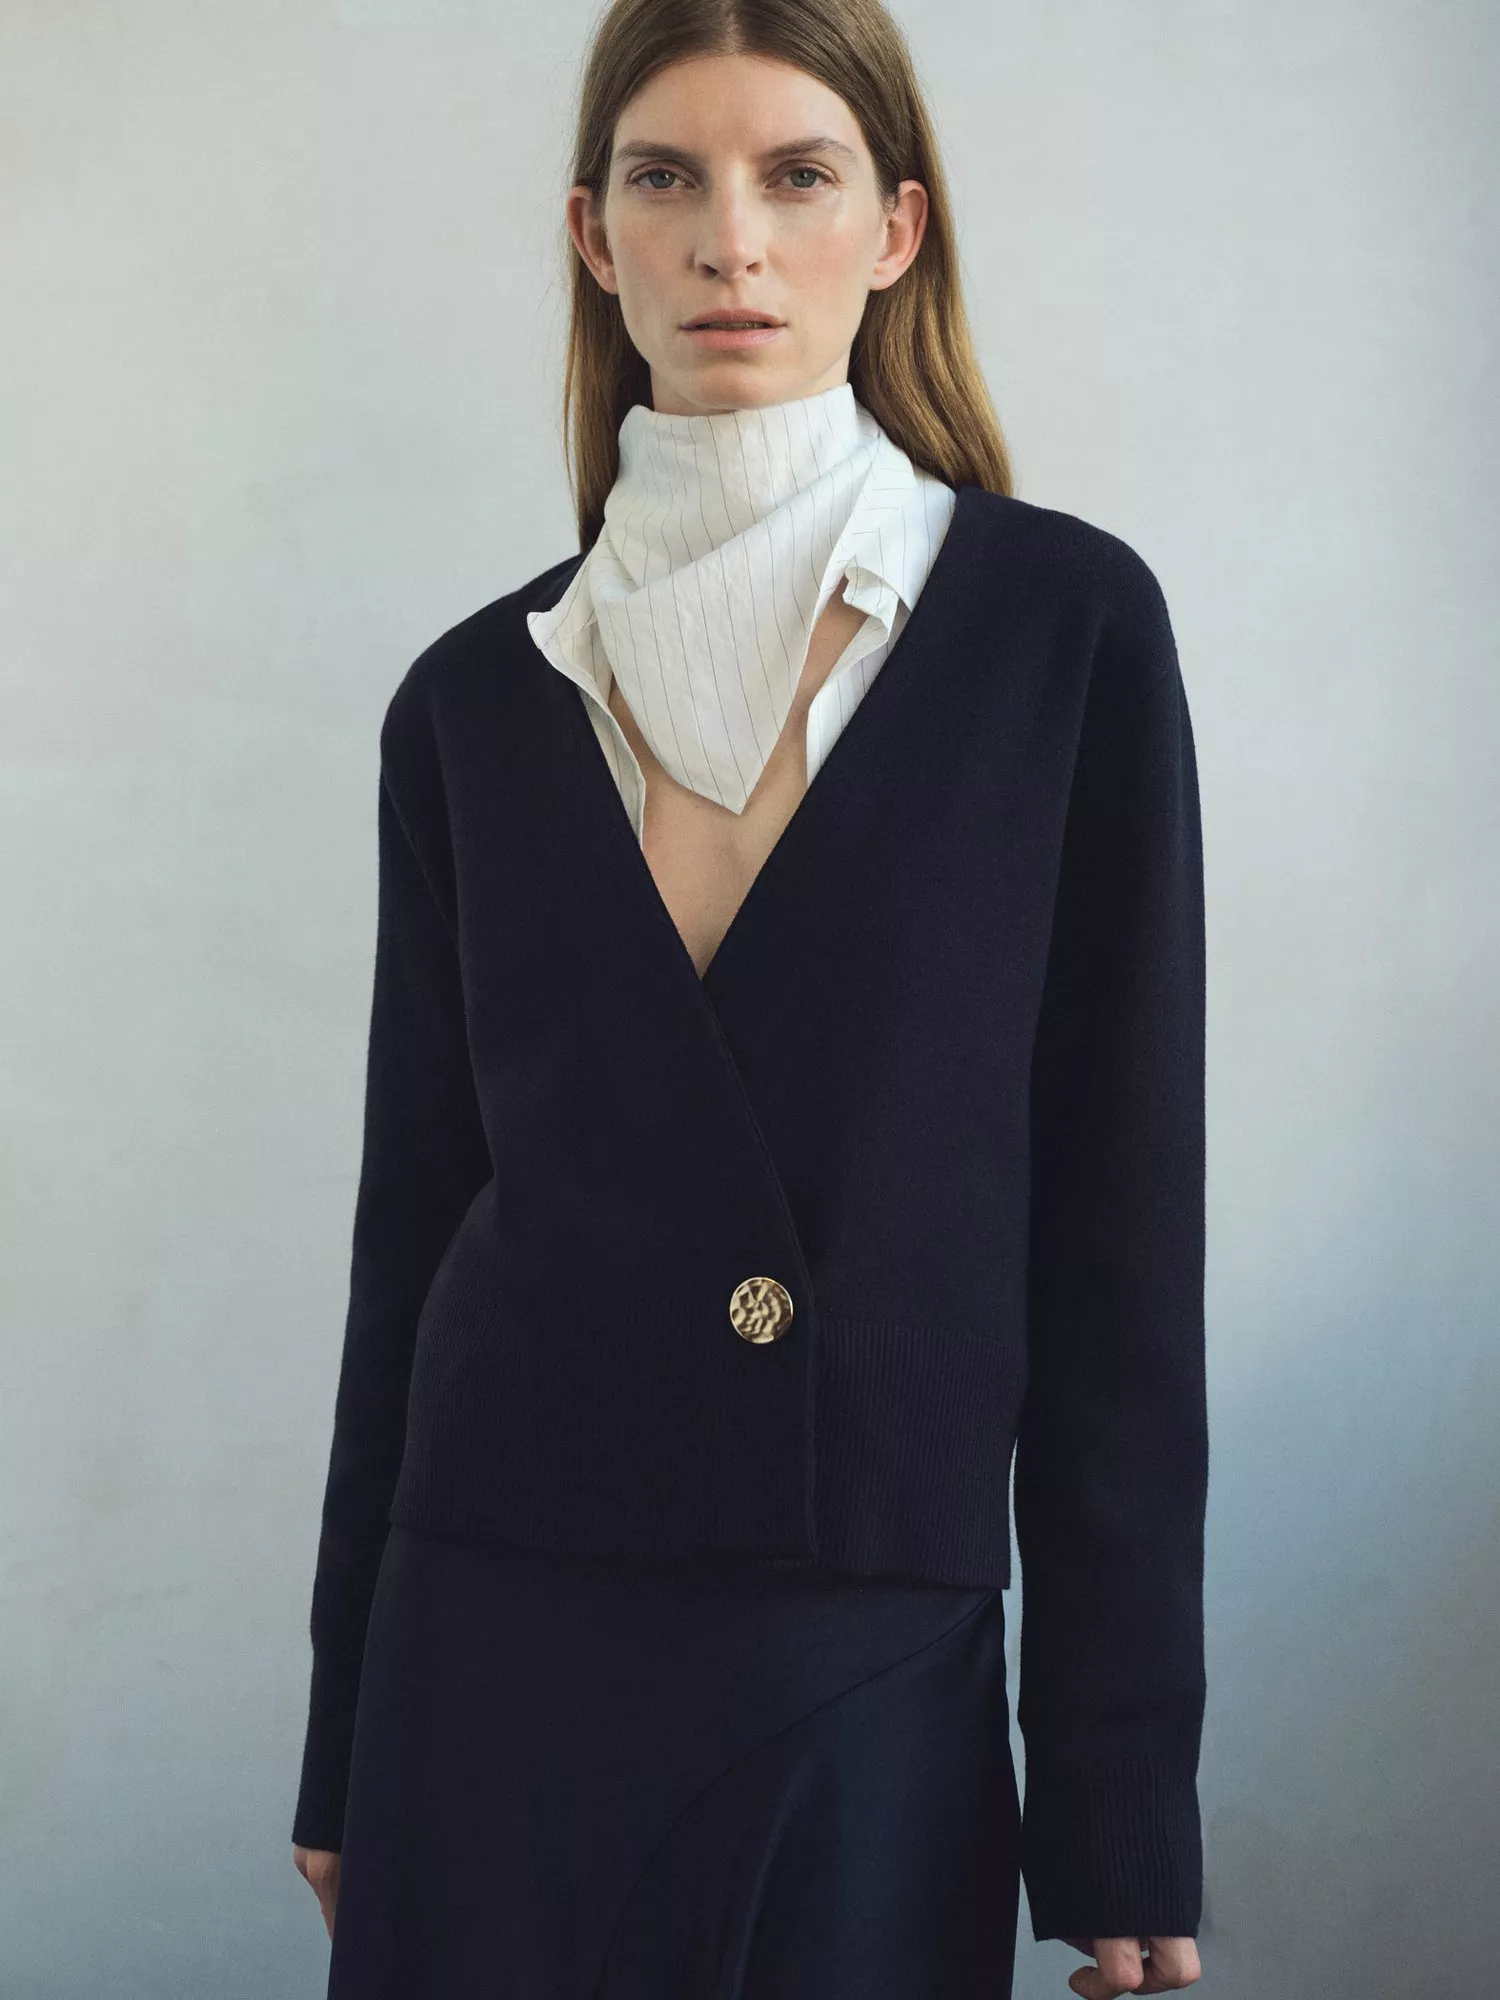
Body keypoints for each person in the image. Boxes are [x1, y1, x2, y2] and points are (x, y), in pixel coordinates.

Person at [289, 4, 1209, 1997]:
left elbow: (1122, 1245)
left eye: (796, 176)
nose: (731, 240)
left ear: (895, 230)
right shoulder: (471, 703)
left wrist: (1120, 1788)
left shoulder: (1064, 635)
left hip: (870, 1655)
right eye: (666, 179)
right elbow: (411, 1234)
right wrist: (344, 1730)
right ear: (591, 234)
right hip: (489, 1646)